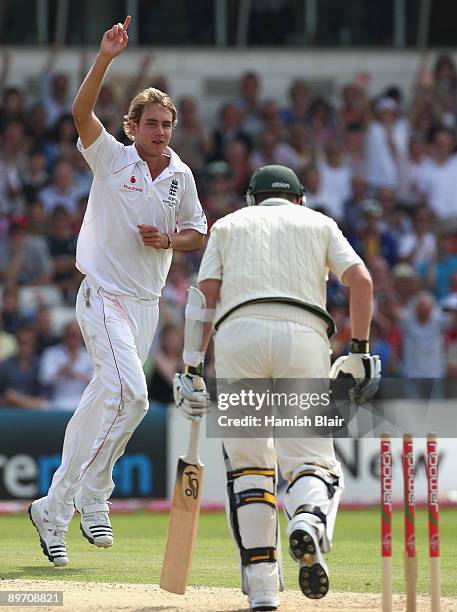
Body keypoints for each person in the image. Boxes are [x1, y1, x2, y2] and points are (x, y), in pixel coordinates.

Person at [28, 15, 207, 567]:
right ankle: (87, 497)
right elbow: (80, 114)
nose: (160, 132)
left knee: (99, 407)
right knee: (132, 396)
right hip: (103, 295)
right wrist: (106, 57)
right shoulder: (111, 156)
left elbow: (199, 230)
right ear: (132, 126)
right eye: (151, 123)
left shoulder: (180, 175)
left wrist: (169, 240)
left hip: (146, 305)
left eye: (167, 124)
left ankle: (51, 508)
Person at [173, 165, 379, 610]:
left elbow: (203, 295)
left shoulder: (228, 226)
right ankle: (306, 518)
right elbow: (361, 281)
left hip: (238, 338)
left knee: (249, 470)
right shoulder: (320, 223)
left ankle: (263, 589)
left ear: (251, 199)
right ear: (299, 199)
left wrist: (191, 367)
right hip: (304, 337)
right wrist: (360, 350)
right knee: (310, 462)